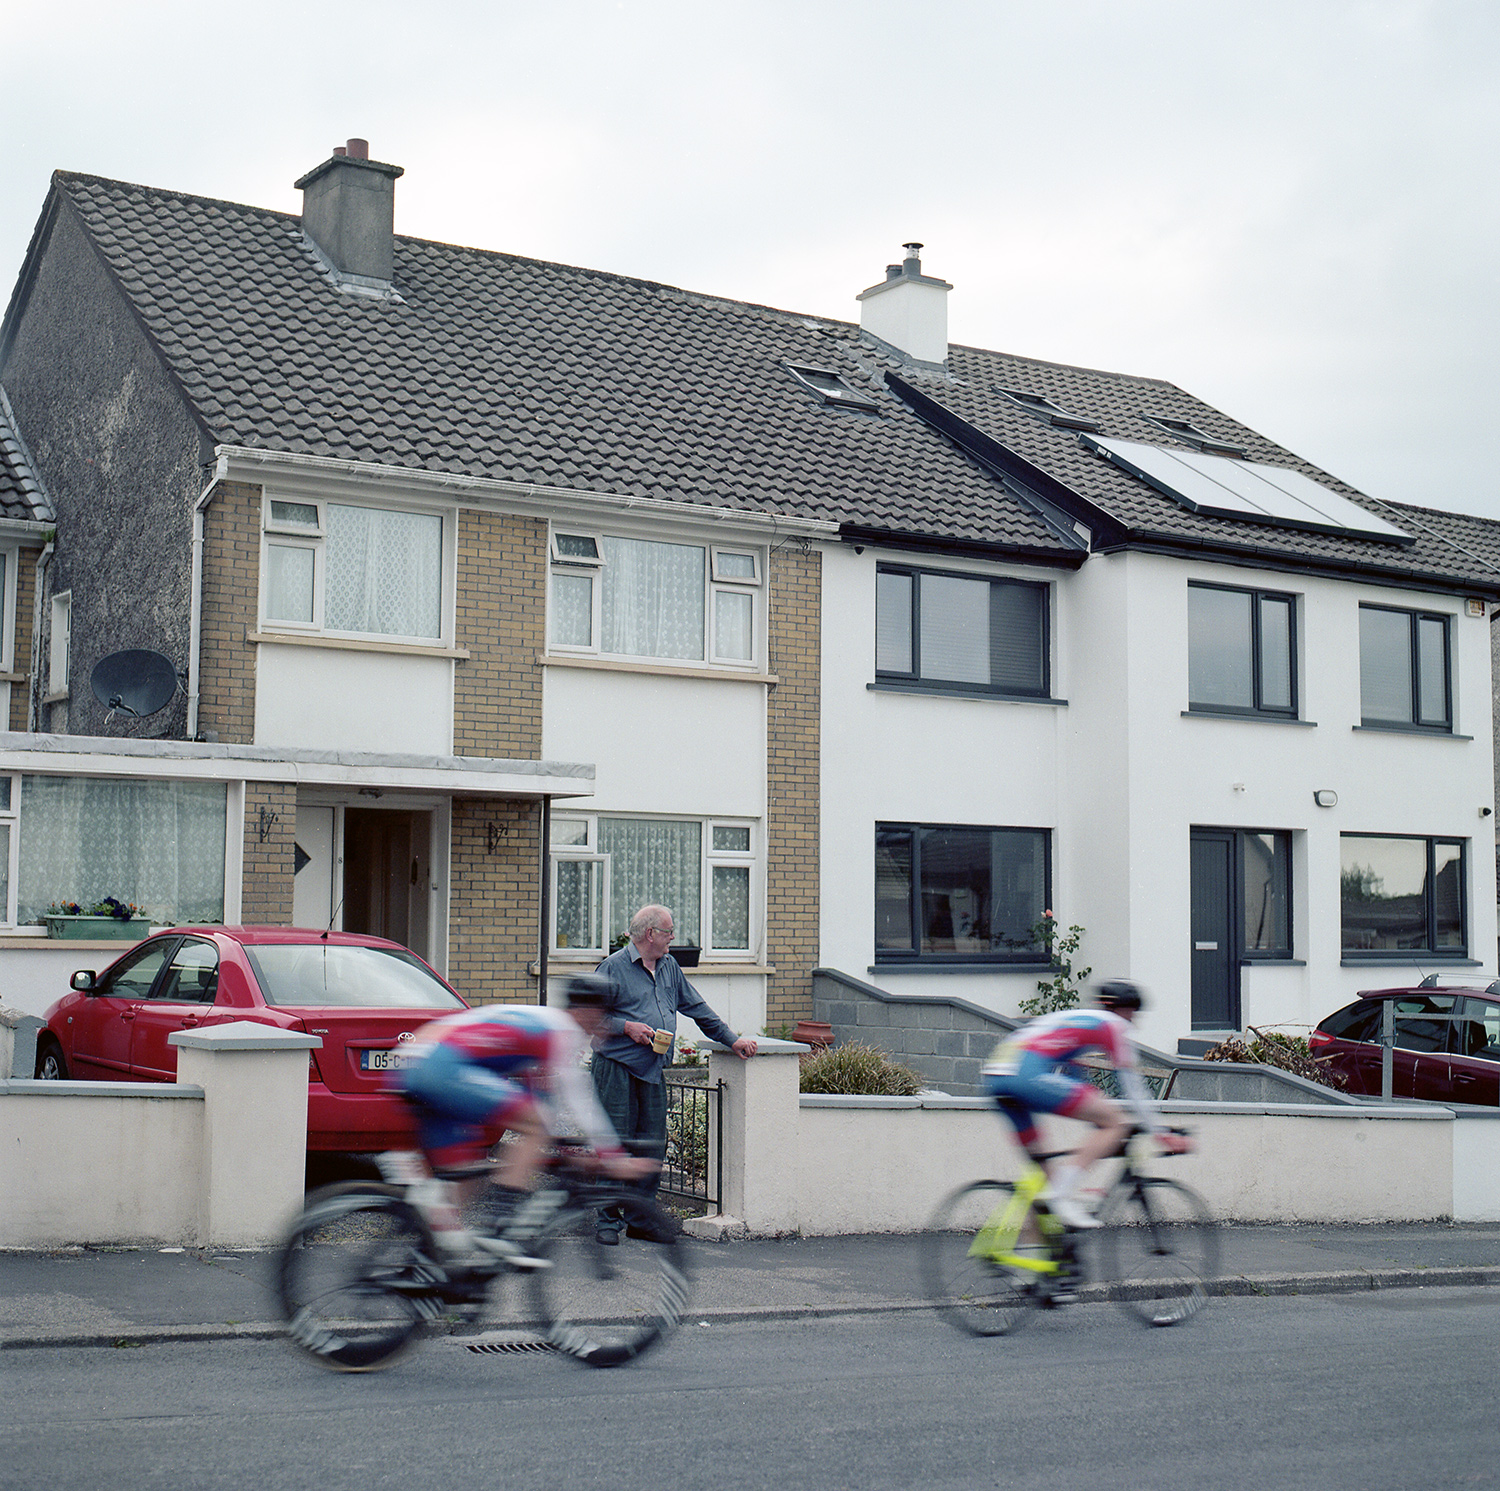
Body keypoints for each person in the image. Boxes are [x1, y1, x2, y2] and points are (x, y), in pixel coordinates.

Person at [394, 976, 652, 1270]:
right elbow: (577, 1100)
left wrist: (570, 1153)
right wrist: (613, 1157)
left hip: (419, 1062)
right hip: (441, 1067)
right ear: (586, 1012)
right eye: (604, 1015)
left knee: (464, 1177)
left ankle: (423, 1268)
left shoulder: (538, 1022)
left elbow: (543, 1098)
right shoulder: (561, 1030)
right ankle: (502, 1225)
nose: (606, 1024)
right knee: (536, 1125)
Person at [591, 903, 757, 1242]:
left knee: (651, 1146)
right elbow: (589, 1018)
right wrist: (626, 1027)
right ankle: (608, 1221)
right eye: (669, 931)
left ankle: (640, 1220)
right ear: (650, 934)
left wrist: (732, 1039)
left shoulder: (669, 967)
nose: (673, 937)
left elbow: (697, 1008)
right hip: (616, 1067)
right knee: (615, 1145)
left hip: (652, 1068)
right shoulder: (613, 967)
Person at [981, 980, 1192, 1230]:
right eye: (1133, 1013)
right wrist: (1160, 1132)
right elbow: (1133, 1087)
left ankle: (1036, 1258)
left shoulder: (1077, 1020)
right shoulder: (1111, 1025)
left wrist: (1094, 1114)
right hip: (1025, 1075)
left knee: (1046, 1180)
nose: (1133, 1021)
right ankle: (1061, 1196)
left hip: (995, 1078)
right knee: (1116, 1124)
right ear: (1123, 1011)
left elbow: (1074, 1075)